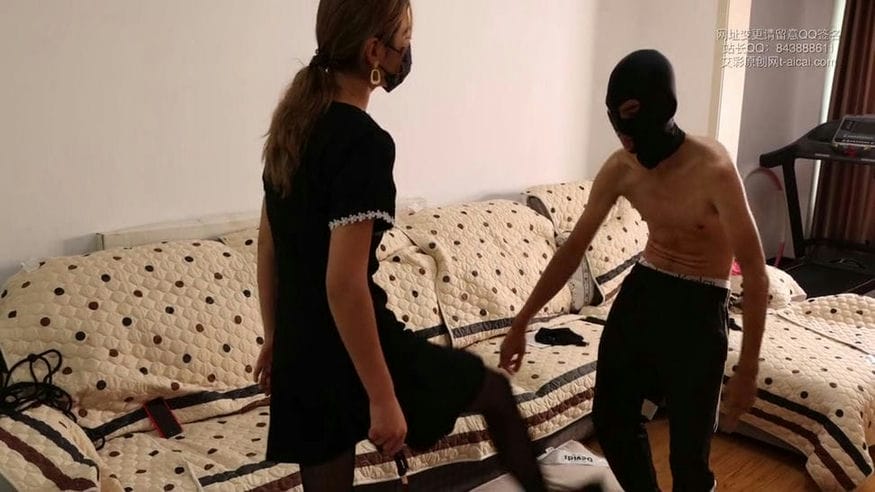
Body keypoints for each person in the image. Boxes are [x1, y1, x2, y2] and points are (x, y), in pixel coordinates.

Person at [252, 1, 550, 490]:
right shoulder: (363, 142)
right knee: (492, 391)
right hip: (352, 341)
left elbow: (270, 248)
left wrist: (275, 337)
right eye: (404, 39)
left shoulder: (292, 125)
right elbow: (344, 285)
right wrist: (382, 396)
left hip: (304, 349)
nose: (408, 50)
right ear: (374, 52)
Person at [500, 49, 769, 491]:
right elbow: (572, 250)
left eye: (633, 135)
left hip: (700, 306)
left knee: (689, 458)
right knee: (612, 421)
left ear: (661, 115)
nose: (628, 146)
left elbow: (755, 274)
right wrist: (521, 321)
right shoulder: (621, 169)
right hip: (645, 291)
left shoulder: (714, 170)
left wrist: (749, 369)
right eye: (620, 135)